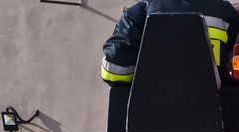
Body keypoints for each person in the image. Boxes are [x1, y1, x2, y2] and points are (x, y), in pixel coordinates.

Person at [101, 0, 239, 85]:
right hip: (219, 119)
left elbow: (115, 70)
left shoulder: (140, 13)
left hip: (147, 121)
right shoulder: (226, 12)